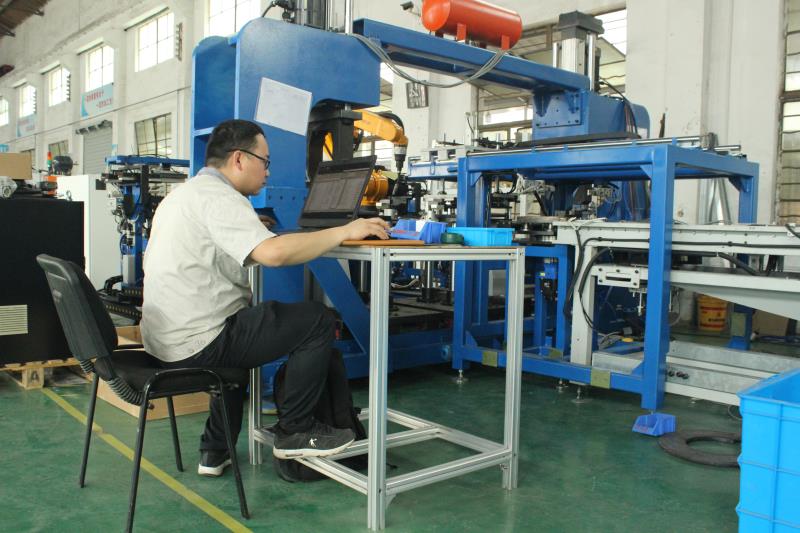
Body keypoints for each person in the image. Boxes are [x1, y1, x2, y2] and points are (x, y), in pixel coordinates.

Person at [140, 119, 389, 477]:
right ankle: (296, 431)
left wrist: (250, 225)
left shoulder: (185, 194)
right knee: (317, 319)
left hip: (165, 341)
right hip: (199, 342)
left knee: (241, 339)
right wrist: (346, 230)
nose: (268, 171)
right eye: (265, 161)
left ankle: (214, 452)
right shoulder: (220, 198)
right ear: (239, 159)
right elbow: (273, 255)